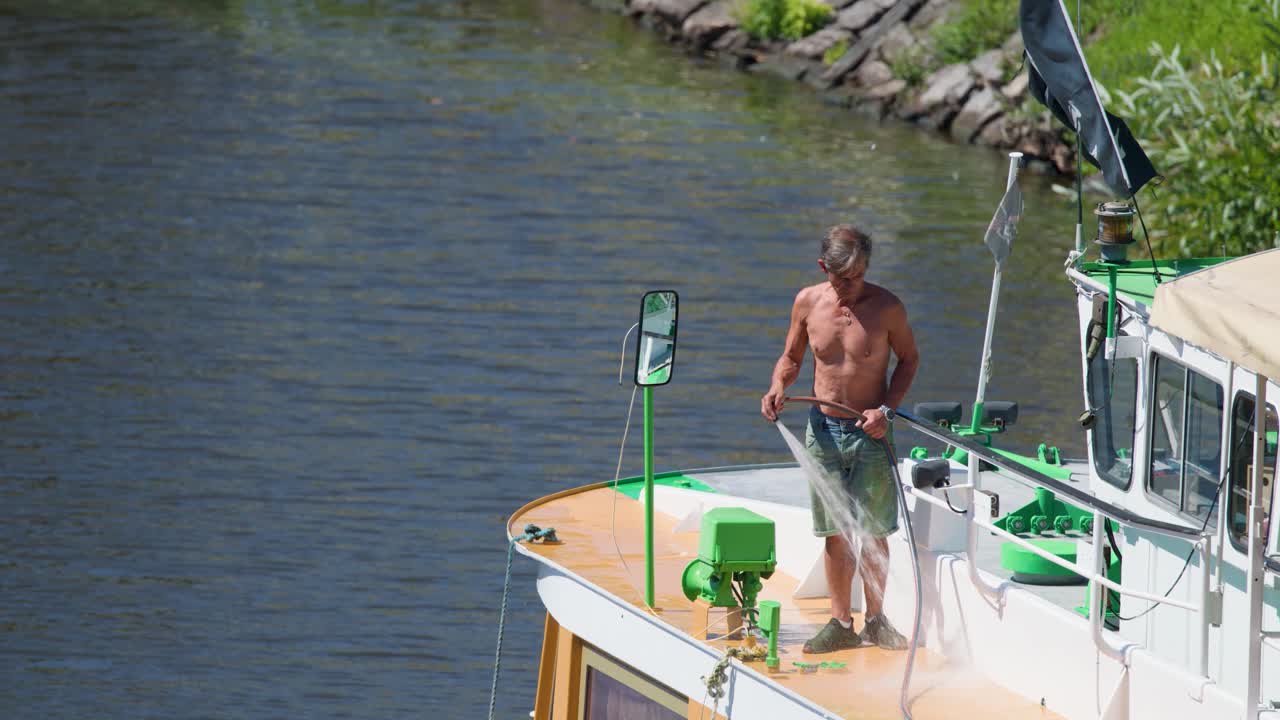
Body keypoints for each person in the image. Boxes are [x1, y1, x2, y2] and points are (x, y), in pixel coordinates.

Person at [760, 224, 919, 653]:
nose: (851, 287)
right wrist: (777, 385)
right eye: (842, 278)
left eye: (858, 276)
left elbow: (909, 361)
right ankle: (839, 622)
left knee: (873, 530)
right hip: (823, 430)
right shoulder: (808, 302)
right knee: (834, 530)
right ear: (823, 268)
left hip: (871, 432)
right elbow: (791, 358)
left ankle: (877, 619)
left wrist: (885, 410)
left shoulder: (888, 308)